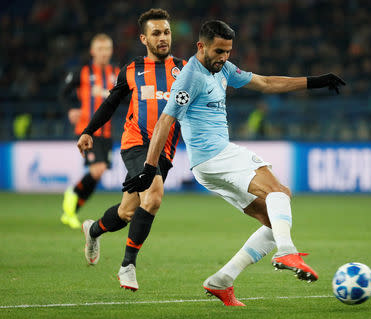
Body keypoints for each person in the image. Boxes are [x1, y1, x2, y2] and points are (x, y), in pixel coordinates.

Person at [122, 20, 345, 306]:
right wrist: (149, 168)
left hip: (208, 166)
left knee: (271, 223)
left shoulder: (224, 68)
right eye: (218, 51)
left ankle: (221, 281)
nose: (224, 57)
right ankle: (286, 251)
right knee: (280, 193)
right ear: (201, 46)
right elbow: (166, 119)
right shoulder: (190, 76)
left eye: (228, 51)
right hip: (215, 156)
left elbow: (265, 83)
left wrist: (314, 81)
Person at [76, 8, 187, 291]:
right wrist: (89, 130)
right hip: (135, 143)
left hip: (165, 151)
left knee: (128, 211)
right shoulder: (132, 70)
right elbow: (111, 103)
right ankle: (128, 266)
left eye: (166, 32)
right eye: (156, 33)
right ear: (143, 38)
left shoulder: (185, 70)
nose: (163, 38)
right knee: (154, 196)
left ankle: (93, 230)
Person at [60, 33, 120, 229]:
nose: (104, 53)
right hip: (88, 130)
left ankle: (71, 210)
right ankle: (73, 194)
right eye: (100, 49)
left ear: (111, 51)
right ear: (93, 51)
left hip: (108, 131)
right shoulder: (83, 72)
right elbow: (64, 91)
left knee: (98, 173)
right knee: (98, 169)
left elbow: (128, 96)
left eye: (107, 49)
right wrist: (71, 108)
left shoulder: (117, 73)